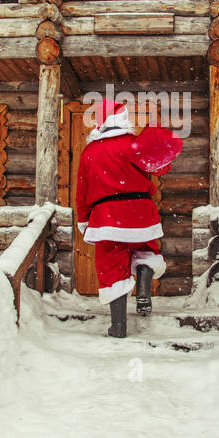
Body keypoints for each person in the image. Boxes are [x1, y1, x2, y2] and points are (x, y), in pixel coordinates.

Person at [75, 98, 182, 338]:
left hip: (107, 216)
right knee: (146, 248)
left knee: (112, 266)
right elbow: (159, 167)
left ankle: (119, 325)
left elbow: (82, 191)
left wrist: (84, 219)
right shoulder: (134, 144)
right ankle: (144, 274)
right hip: (141, 211)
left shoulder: (90, 152)